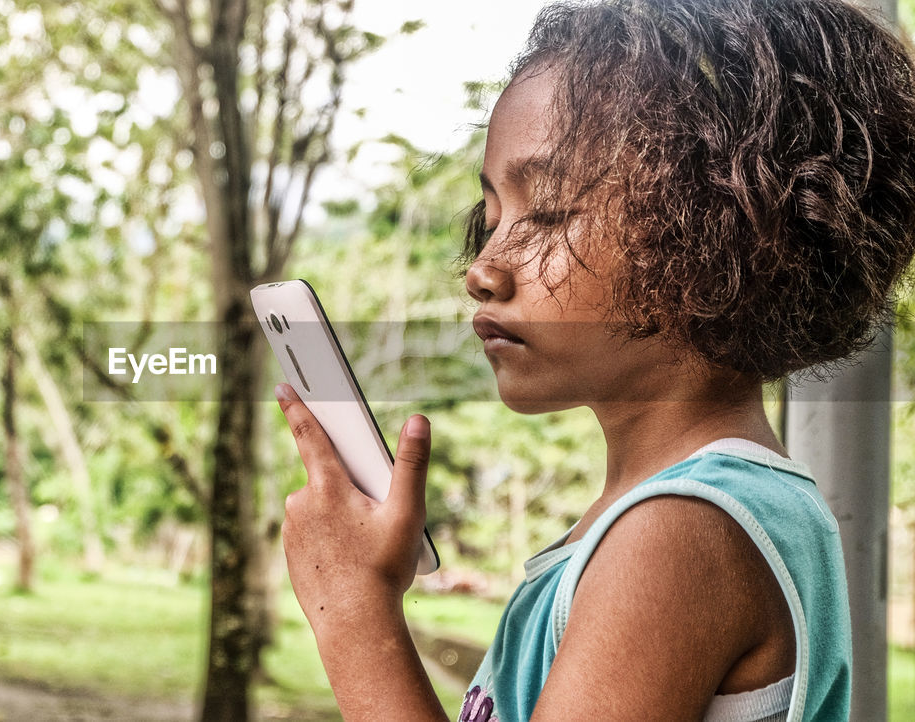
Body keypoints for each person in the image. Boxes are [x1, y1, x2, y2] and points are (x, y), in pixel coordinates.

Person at [272, 0, 915, 719]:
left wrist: (353, 614)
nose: (483, 268)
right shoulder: (706, 513)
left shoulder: (680, 533)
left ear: (717, 236)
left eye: (545, 213)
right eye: (489, 220)